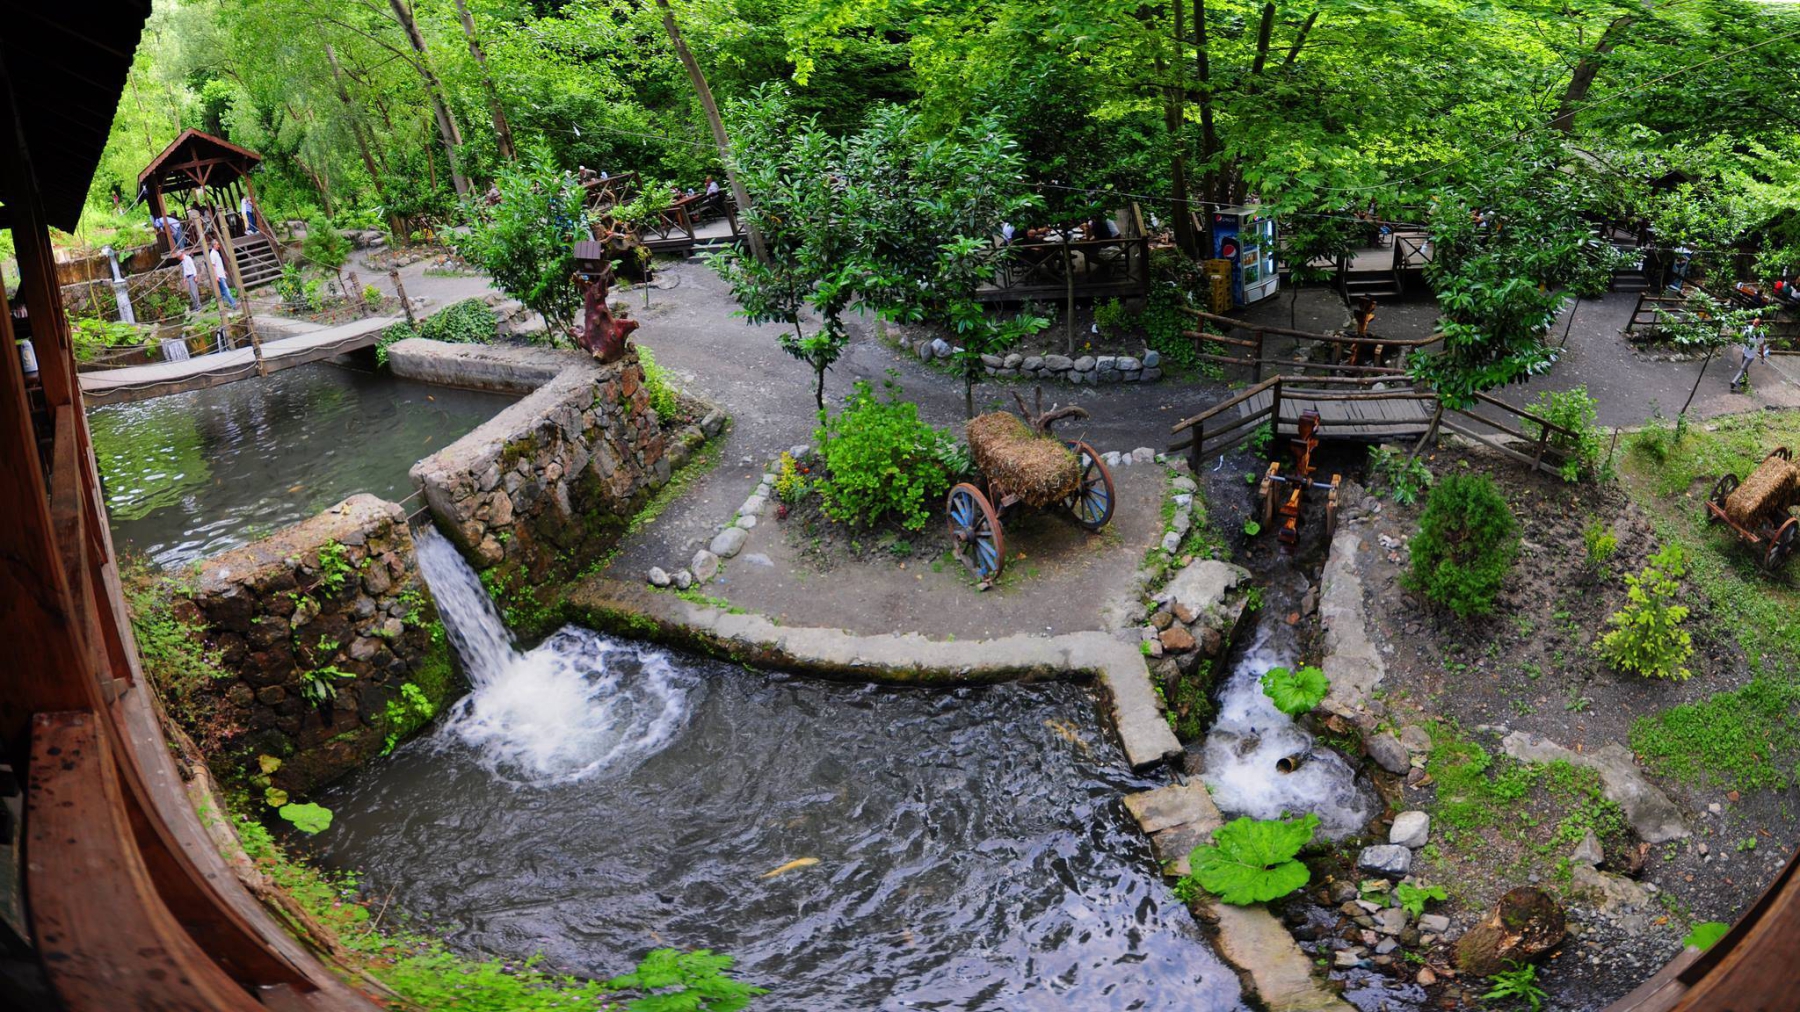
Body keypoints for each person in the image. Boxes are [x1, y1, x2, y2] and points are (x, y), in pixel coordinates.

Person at [1730, 318, 1768, 392]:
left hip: (1751, 354)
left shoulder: (1760, 334)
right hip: (1745, 351)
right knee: (1744, 367)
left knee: (1742, 368)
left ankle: (1734, 382)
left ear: (1759, 325)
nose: (1754, 324)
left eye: (1756, 323)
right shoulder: (1748, 328)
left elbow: (1761, 346)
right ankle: (1745, 380)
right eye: (1754, 322)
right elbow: (1743, 337)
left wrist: (1762, 355)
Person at [207, 241, 238, 310]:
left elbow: (218, 264)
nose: (218, 246)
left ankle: (224, 306)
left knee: (223, 292)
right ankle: (234, 304)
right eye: (217, 244)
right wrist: (216, 276)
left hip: (221, 274)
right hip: (219, 275)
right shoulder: (212, 254)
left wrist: (223, 270)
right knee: (226, 290)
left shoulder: (217, 253)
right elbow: (213, 266)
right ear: (214, 245)